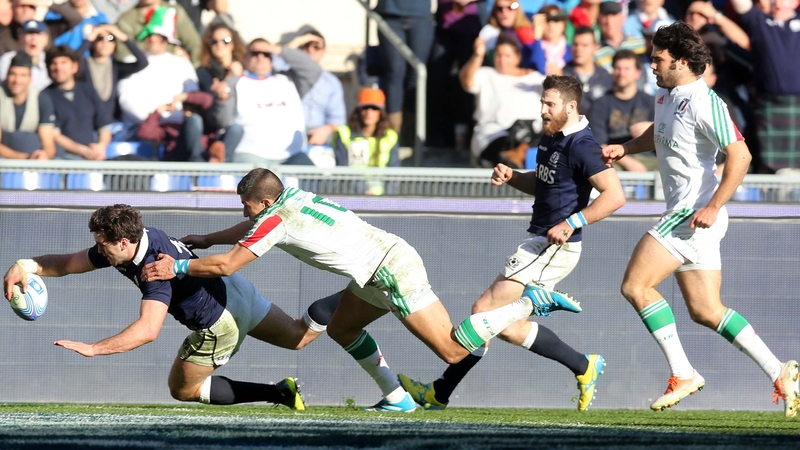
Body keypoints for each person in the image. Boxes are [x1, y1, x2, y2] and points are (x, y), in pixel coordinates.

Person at [140, 168, 544, 411]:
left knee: (454, 350)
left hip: (392, 271)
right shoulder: (292, 197)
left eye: (247, 205)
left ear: (263, 201)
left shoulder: (274, 219)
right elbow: (250, 228)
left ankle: (527, 303)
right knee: (342, 329)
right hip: (380, 263)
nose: (243, 211)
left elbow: (228, 265)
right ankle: (397, 398)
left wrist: (175, 265)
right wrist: (209, 238)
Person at [600, 22, 800, 416]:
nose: (651, 65)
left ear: (682, 62)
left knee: (636, 286)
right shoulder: (667, 97)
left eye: (658, 59)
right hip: (694, 219)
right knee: (706, 310)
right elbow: (659, 135)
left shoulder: (706, 101)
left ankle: (684, 372)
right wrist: (625, 149)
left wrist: (713, 206)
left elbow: (740, 155)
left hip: (692, 215)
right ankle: (780, 371)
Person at [398, 74, 626, 412]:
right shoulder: (551, 136)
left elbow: (615, 196)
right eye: (542, 103)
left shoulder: (582, 145)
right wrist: (513, 177)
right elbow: (546, 184)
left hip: (554, 247)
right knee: (508, 327)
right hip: (543, 241)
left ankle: (439, 392)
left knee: (483, 312)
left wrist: (571, 222)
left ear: (571, 106)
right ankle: (584, 366)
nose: (544, 110)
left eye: (550, 104)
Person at [3, 204, 341, 408]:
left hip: (220, 321)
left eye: (102, 244)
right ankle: (357, 290)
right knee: (299, 335)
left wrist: (94, 348)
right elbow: (64, 264)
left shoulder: (153, 266)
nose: (98, 250)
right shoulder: (137, 238)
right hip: (236, 290)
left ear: (123, 241)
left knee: (182, 390)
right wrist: (26, 265)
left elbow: (148, 330)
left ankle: (278, 395)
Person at [209, 38, 320, 165]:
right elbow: (222, 121)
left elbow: (313, 69)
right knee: (257, 183)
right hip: (250, 155)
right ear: (246, 57)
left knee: (317, 182)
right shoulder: (236, 82)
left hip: (292, 155)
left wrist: (278, 49)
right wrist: (221, 98)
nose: (260, 57)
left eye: (266, 54)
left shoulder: (288, 80)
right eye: (255, 53)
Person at [732, 0, 800, 172]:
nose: (775, 2)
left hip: (797, 105)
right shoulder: (760, 21)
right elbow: (741, 5)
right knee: (768, 166)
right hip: (769, 103)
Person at [461, 34, 545, 168]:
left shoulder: (535, 78)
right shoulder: (486, 74)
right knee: (502, 151)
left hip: (531, 135)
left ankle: (519, 153)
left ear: (518, 57)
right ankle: (513, 156)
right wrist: (477, 56)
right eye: (498, 55)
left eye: (507, 56)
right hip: (494, 134)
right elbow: (466, 81)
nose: (502, 60)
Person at [117, 10, 199, 146]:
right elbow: (125, 98)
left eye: (159, 36)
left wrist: (176, 119)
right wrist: (152, 119)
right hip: (138, 131)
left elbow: (192, 95)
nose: (153, 39)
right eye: (150, 34)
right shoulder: (131, 61)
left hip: (176, 129)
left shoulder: (182, 63)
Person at [373, 0, 435, 135]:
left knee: (417, 74)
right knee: (395, 73)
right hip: (390, 14)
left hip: (421, 16)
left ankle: (412, 130)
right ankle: (393, 130)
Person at [587, 49, 655, 172]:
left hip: (649, 160)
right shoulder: (600, 104)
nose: (621, 73)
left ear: (638, 73)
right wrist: (629, 163)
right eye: (618, 68)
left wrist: (651, 127)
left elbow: (669, 131)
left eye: (627, 69)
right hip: (616, 159)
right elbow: (598, 144)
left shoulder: (651, 102)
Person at [43, 45, 112, 160]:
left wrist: (100, 147)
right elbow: (54, 134)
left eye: (63, 62)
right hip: (63, 158)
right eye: (54, 63)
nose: (58, 67)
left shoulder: (88, 90)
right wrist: (84, 151)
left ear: (74, 67)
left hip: (94, 154)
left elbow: (104, 128)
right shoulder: (45, 96)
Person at [76, 24, 148, 126]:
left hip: (112, 123)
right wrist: (92, 35)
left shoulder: (116, 67)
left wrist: (123, 37)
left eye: (111, 38)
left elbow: (142, 63)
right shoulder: (83, 65)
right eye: (100, 38)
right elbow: (72, 62)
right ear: (93, 43)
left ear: (114, 45)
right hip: (87, 123)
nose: (105, 42)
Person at [288, 29, 346, 151]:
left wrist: (326, 130)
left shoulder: (331, 82)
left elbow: (338, 119)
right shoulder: (284, 74)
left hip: (318, 140)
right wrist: (296, 43)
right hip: (287, 135)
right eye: (305, 46)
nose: (310, 51)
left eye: (316, 47)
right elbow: (272, 63)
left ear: (324, 52)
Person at [0, 51, 56, 159]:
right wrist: (25, 158)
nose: (17, 80)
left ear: (30, 79)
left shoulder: (41, 98)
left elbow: (48, 143)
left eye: (23, 75)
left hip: (33, 160)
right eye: (13, 74)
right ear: (7, 76)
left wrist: (44, 155)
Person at [116, 0, 201, 67]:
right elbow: (123, 53)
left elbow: (195, 44)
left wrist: (192, 68)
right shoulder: (126, 19)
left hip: (173, 68)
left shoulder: (174, 11)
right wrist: (169, 48)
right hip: (142, 71)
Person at [332, 87, 399, 169]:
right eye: (365, 108)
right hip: (352, 181)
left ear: (381, 113)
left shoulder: (390, 136)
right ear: (358, 111)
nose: (369, 113)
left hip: (380, 181)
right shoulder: (344, 133)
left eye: (374, 108)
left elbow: (394, 169)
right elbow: (342, 166)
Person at [478, 0, 545, 72]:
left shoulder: (526, 32)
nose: (504, 12)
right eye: (499, 8)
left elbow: (539, 67)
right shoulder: (489, 33)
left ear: (517, 10)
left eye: (510, 7)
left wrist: (537, 37)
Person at [562, 25, 612, 115]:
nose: (578, 49)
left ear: (595, 47)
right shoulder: (562, 76)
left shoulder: (606, 77)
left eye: (584, 45)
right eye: (575, 44)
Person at [593, 1, 646, 73]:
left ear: (622, 19)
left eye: (614, 15)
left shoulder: (641, 45)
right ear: (598, 20)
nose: (609, 21)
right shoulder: (595, 52)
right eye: (605, 16)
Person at [0, 19, 51, 90]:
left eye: (38, 34)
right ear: (20, 38)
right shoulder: (8, 60)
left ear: (46, 39)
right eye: (29, 33)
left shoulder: (50, 61)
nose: (33, 38)